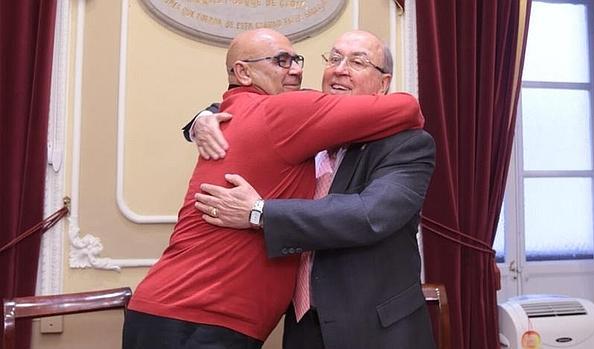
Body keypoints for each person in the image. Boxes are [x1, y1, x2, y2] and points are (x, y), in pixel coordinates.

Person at [123, 28, 425, 349]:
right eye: (334, 58)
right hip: (207, 320)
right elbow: (255, 108)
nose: (296, 69)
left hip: (368, 329)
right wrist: (202, 118)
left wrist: (259, 211)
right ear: (243, 72)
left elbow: (370, 215)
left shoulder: (405, 143)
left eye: (358, 62)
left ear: (384, 83)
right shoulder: (293, 114)